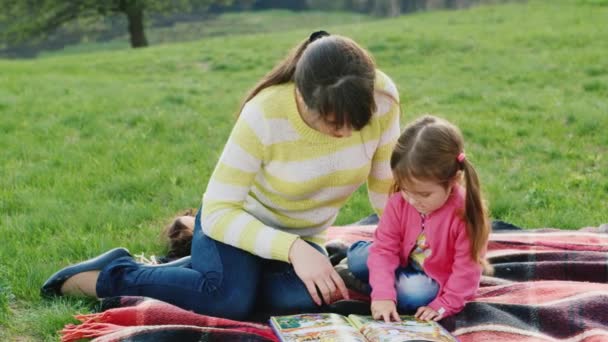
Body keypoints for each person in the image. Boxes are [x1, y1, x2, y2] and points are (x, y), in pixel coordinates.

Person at [41, 30, 402, 320]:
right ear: (302, 97)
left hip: (301, 235)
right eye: (331, 123)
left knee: (305, 299)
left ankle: (193, 267)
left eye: (355, 124)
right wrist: (292, 250)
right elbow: (218, 211)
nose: (343, 134)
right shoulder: (264, 113)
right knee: (229, 300)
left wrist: (411, 239)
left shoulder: (382, 98)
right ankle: (111, 274)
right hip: (235, 226)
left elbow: (386, 186)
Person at [345, 115, 490, 323]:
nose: (413, 200)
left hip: (433, 277)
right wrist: (383, 296)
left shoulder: (464, 213)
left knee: (414, 295)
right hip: (400, 259)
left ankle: (371, 283)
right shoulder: (400, 201)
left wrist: (446, 303)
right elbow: (385, 249)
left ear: (454, 180)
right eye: (405, 190)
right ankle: (377, 282)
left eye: (424, 194)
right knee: (358, 260)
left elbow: (466, 271)